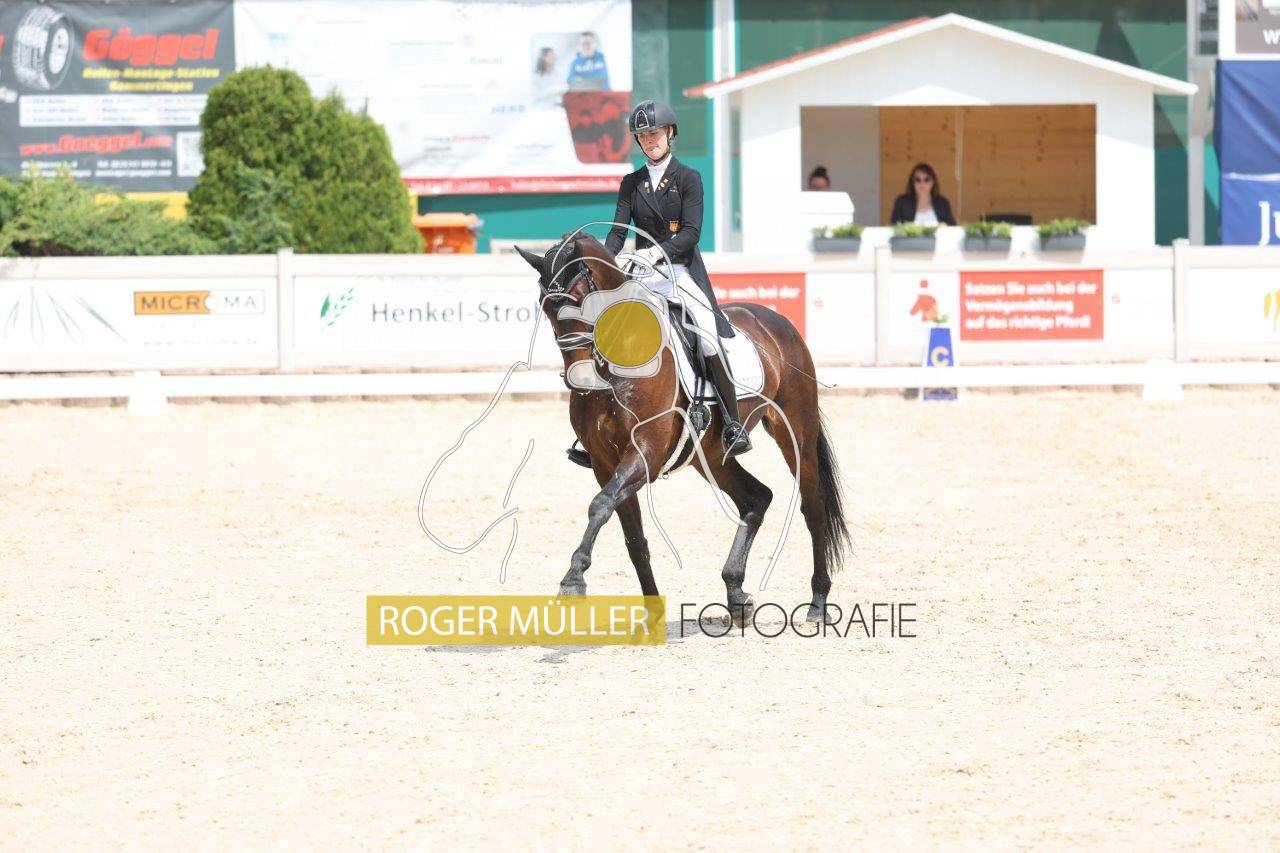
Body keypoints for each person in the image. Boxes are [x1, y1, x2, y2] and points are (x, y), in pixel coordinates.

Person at [565, 98, 751, 468]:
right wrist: (607, 260)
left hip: (680, 272)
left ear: (669, 133)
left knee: (706, 336)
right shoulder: (631, 183)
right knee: (606, 333)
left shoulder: (688, 178)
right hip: (642, 275)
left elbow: (692, 233)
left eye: (654, 133)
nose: (649, 140)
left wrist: (656, 252)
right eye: (643, 136)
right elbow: (617, 233)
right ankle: (597, 429)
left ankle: (732, 424)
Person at [890, 162, 956, 226]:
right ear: (912, 183)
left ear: (933, 182)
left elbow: (953, 226)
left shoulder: (942, 203)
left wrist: (944, 225)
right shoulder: (902, 203)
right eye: (918, 180)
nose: (922, 183)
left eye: (926, 180)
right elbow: (895, 226)